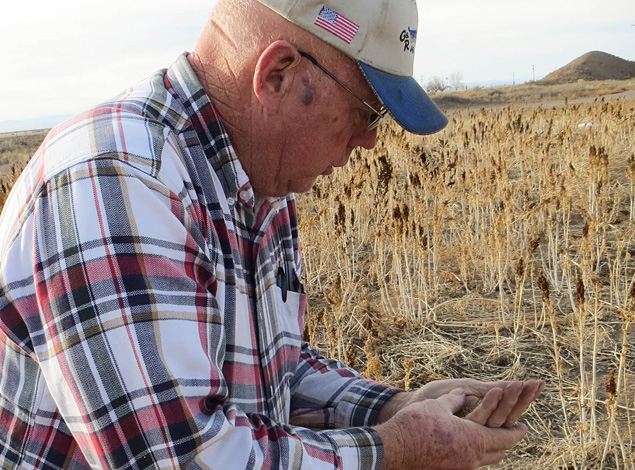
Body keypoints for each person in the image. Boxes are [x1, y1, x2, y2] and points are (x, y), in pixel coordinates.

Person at [0, 0, 545, 468]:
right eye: (367, 110)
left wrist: (392, 407)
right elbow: (182, 458)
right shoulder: (119, 181)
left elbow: (274, 368)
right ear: (278, 74)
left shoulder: (261, 185)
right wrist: (393, 450)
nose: (369, 141)